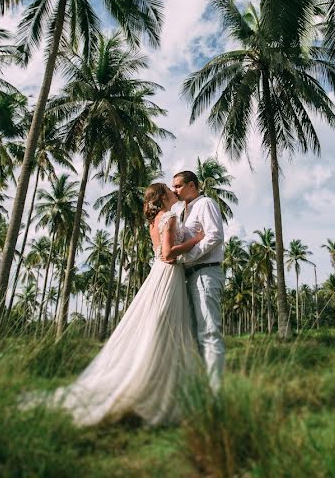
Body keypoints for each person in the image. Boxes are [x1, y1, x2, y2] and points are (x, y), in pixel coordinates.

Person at [19, 183, 203, 426]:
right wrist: (197, 240)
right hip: (168, 274)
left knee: (158, 329)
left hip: (161, 274)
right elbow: (168, 254)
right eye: (169, 190)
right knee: (165, 329)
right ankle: (155, 390)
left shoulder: (156, 220)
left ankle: (157, 386)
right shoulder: (168, 217)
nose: (173, 191)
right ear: (162, 197)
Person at [164, 170, 225, 393]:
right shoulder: (183, 211)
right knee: (194, 334)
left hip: (206, 272)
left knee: (209, 333)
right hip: (190, 276)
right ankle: (201, 387)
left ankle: (214, 392)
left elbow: (215, 235)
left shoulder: (205, 203)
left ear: (192, 185)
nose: (174, 190)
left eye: (178, 186)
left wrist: (187, 257)